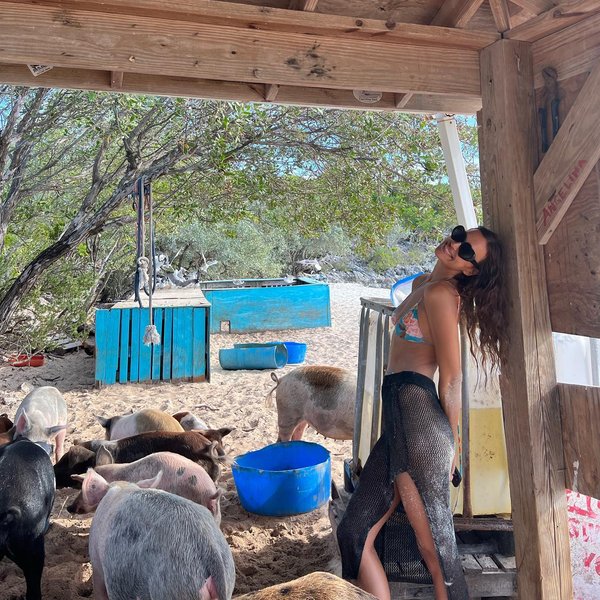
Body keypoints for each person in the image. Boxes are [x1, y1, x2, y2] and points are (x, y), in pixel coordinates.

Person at [337, 225, 508, 600]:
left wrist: (455, 446)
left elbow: (452, 377)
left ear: (470, 270)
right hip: (399, 419)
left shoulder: (442, 294)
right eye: (460, 235)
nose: (456, 245)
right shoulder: (423, 283)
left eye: (467, 251)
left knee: (435, 552)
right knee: (353, 532)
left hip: (420, 420)